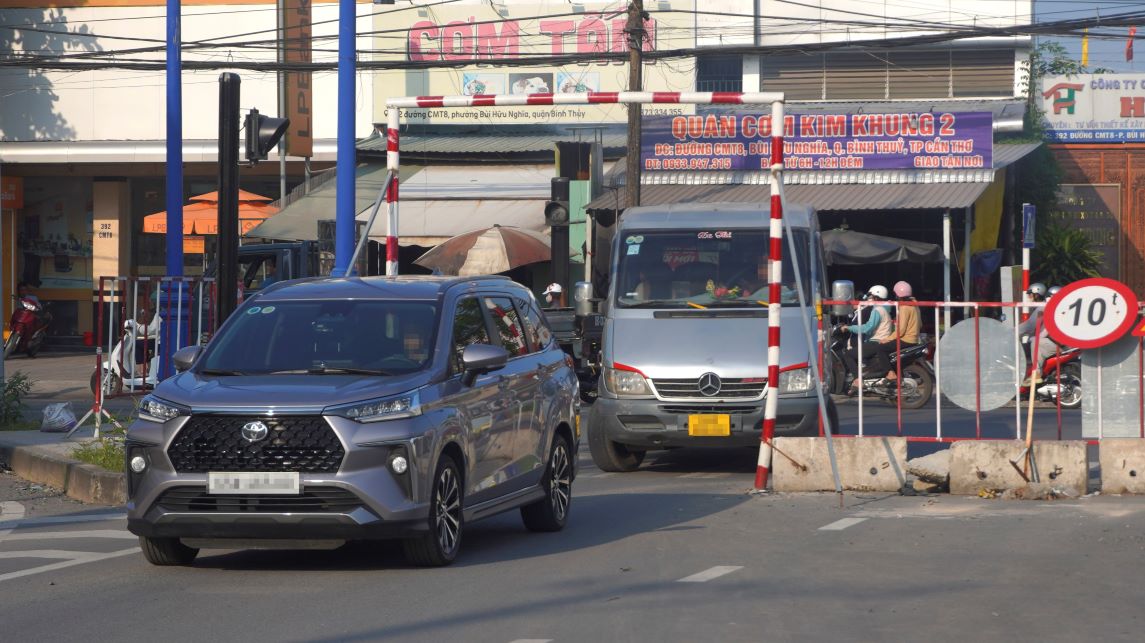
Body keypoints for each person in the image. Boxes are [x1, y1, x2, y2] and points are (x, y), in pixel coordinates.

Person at [840, 284, 895, 391]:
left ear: (876, 297)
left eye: (870, 296)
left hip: (876, 342)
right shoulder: (885, 309)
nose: (868, 299)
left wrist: (849, 328)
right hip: (880, 341)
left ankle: (857, 380)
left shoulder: (877, 310)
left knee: (848, 355)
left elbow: (867, 328)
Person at [879, 281, 921, 380]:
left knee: (880, 348)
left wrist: (887, 339)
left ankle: (890, 373)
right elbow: (920, 324)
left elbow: (901, 330)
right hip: (914, 340)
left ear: (898, 295)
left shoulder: (904, 307)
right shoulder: (915, 305)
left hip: (906, 340)